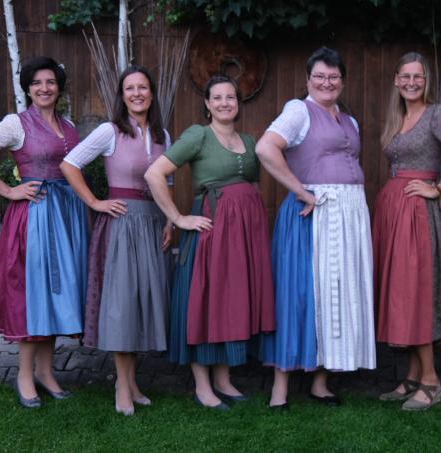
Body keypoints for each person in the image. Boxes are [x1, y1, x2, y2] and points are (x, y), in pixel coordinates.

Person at [145, 74, 275, 410]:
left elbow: (253, 188)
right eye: (217, 98)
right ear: (207, 103)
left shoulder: (248, 140)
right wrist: (178, 218)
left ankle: (223, 378)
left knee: (227, 302)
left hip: (242, 237)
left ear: (238, 102)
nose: (224, 103)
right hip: (211, 233)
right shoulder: (198, 135)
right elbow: (154, 173)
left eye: (230, 97)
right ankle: (202, 385)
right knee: (204, 303)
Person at [256, 47, 375, 409]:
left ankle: (321, 380)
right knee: (299, 294)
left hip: (349, 215)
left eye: (334, 76)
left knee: (336, 294)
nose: (327, 82)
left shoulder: (348, 121)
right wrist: (301, 192)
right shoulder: (298, 110)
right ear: (308, 80)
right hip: (315, 215)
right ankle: (280, 389)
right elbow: (266, 148)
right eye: (320, 76)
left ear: (342, 81)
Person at [0, 56, 87, 408]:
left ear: (59, 87)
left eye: (50, 82)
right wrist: (7, 191)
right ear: (28, 88)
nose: (44, 88)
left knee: (56, 294)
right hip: (34, 217)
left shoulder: (69, 126)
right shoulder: (15, 124)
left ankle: (47, 373)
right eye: (37, 83)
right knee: (34, 295)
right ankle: (24, 375)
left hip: (65, 215)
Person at [60, 65, 171, 416]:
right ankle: (121, 387)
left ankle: (133, 382)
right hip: (122, 225)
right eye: (129, 88)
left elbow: (165, 184)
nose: (136, 93)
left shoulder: (162, 134)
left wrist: (170, 219)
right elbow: (69, 164)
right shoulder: (110, 132)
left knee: (141, 305)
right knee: (123, 306)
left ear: (151, 94)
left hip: (153, 224)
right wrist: (95, 202)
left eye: (142, 87)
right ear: (121, 96)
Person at [373, 52, 441, 411]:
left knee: (416, 290)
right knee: (401, 289)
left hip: (418, 212)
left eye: (417, 76)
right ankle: (413, 376)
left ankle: (431, 381)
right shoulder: (397, 116)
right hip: (393, 209)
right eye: (405, 76)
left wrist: (440, 187)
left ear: (425, 79)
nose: (411, 82)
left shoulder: (437, 112)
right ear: (397, 80)